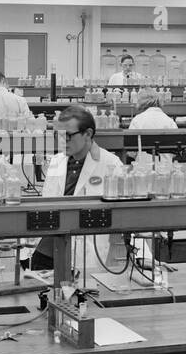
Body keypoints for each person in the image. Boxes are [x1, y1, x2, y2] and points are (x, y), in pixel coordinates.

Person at [28, 104, 123, 270]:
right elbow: (46, 203)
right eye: (58, 135)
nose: (62, 141)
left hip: (84, 251)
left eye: (68, 136)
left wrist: (143, 257)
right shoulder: (56, 161)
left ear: (88, 134)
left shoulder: (111, 165)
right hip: (50, 248)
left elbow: (130, 213)